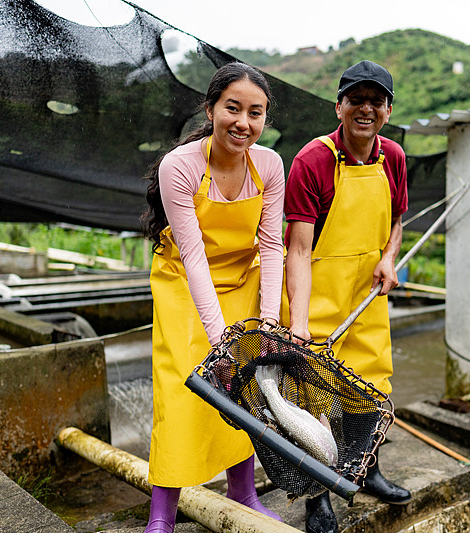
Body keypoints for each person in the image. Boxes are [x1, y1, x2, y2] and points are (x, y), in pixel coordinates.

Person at [140, 62, 285, 533]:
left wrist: (266, 327)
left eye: (256, 112)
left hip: (243, 279)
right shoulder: (179, 166)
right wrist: (219, 338)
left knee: (244, 388)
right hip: (184, 279)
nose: (244, 122)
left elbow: (271, 246)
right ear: (211, 109)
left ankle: (242, 491)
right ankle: (162, 513)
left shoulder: (269, 165)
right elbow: (195, 258)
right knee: (181, 392)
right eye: (233, 108)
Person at [282, 60, 411, 533]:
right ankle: (318, 497)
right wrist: (298, 320)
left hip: (367, 290)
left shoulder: (392, 157)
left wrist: (389, 257)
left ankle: (366, 471)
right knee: (312, 397)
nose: (366, 108)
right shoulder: (312, 161)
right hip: (316, 288)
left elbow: (398, 220)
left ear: (388, 110)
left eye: (376, 101)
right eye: (356, 99)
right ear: (339, 106)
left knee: (372, 386)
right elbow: (296, 248)